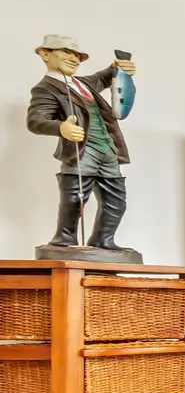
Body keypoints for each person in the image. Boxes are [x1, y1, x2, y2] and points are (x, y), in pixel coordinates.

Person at [25, 34, 139, 259]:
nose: (74, 59)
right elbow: (35, 120)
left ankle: (104, 240)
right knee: (75, 197)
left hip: (107, 149)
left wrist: (117, 67)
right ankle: (64, 239)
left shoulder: (85, 83)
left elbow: (104, 77)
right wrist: (61, 128)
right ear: (45, 54)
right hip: (82, 150)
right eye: (66, 52)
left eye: (77, 55)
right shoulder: (45, 88)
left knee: (116, 200)